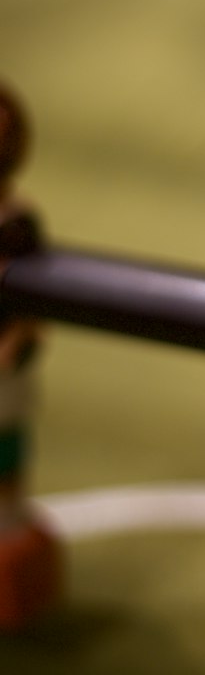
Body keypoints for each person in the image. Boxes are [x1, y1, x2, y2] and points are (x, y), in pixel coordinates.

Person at [0, 86, 61, 629]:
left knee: (8, 452)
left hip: (6, 377)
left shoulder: (18, 225)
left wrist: (13, 344)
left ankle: (10, 524)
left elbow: (31, 307)